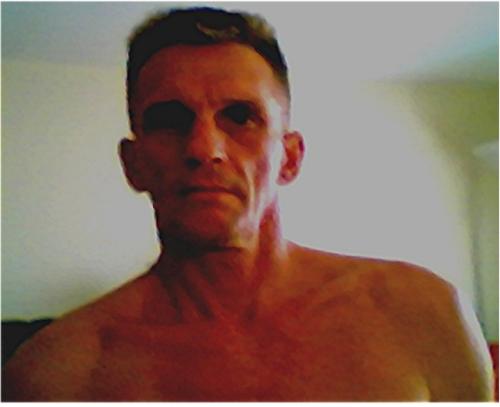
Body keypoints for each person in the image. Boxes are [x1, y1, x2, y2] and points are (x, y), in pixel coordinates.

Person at [2, 7, 493, 401]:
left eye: (240, 116)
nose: (204, 148)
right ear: (134, 164)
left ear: (290, 158)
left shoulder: (421, 314)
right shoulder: (57, 373)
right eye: (171, 119)